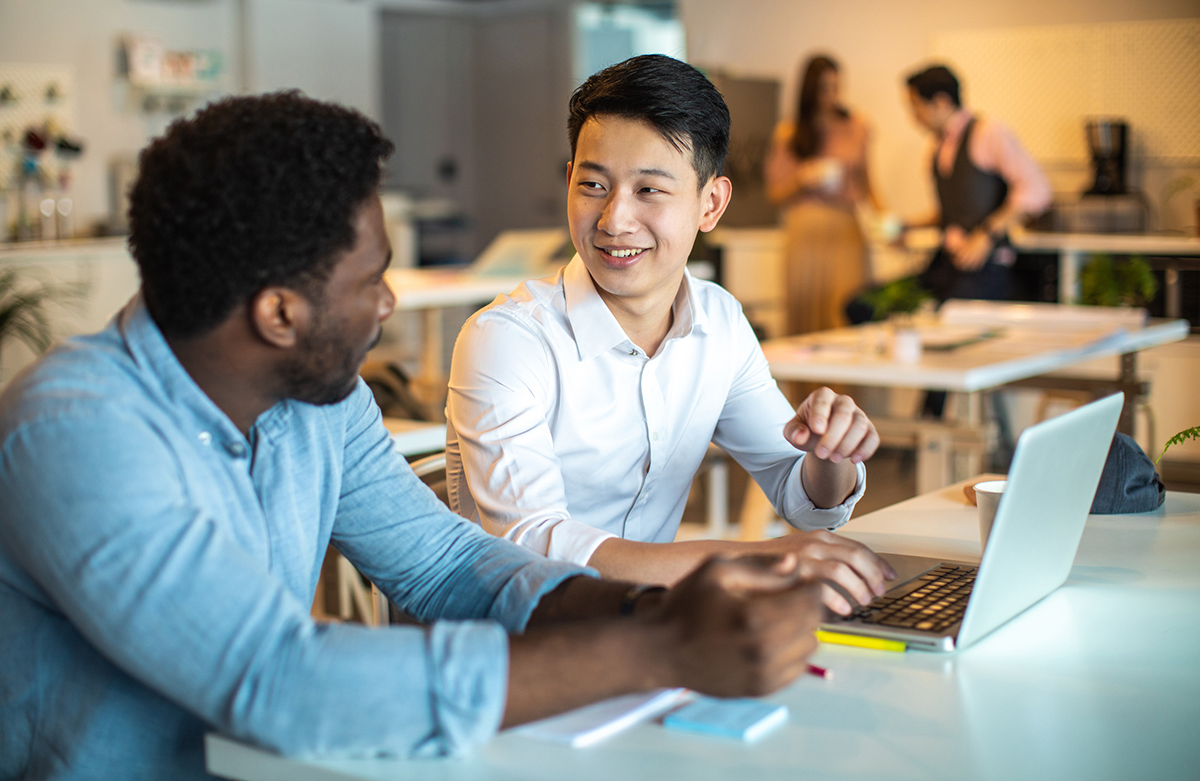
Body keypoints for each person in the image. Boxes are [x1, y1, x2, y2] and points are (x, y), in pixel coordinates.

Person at [0, 91, 833, 780]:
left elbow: (447, 565)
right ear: (279, 313)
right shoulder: (76, 433)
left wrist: (649, 603)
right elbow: (280, 679)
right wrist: (655, 648)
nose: (391, 304)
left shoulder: (315, 398)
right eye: (371, 280)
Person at [446, 55, 894, 607]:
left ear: (711, 204)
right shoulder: (508, 339)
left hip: (653, 630)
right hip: (524, 648)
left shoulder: (719, 322)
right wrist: (748, 558)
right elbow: (533, 546)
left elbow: (802, 498)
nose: (614, 219)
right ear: (569, 182)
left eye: (649, 190)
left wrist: (831, 456)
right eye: (593, 185)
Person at [901, 64, 1051, 304]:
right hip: (949, 262)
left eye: (916, 106)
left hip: (987, 267)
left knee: (948, 316)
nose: (913, 117)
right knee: (864, 306)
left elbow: (1036, 189)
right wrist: (906, 226)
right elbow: (952, 213)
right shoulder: (935, 148)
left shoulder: (988, 132)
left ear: (941, 102)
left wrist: (986, 235)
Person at [765, 54, 881, 336]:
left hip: (846, 229)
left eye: (836, 87)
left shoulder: (856, 125)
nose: (831, 95)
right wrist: (802, 179)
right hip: (806, 230)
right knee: (807, 314)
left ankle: (847, 382)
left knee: (848, 308)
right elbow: (776, 194)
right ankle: (809, 381)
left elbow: (869, 185)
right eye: (824, 88)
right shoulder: (790, 132)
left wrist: (888, 223)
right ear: (809, 90)